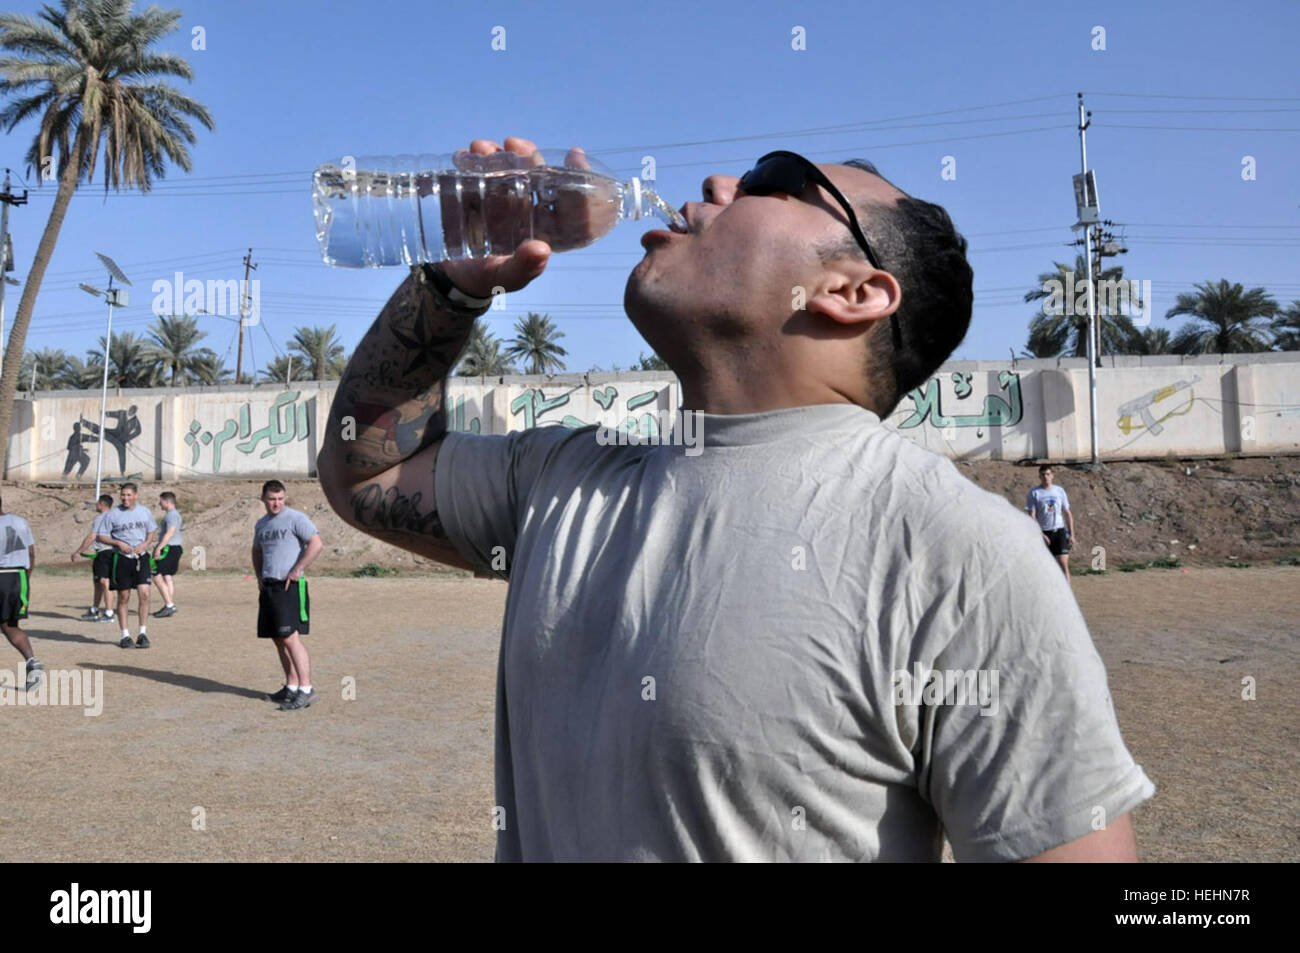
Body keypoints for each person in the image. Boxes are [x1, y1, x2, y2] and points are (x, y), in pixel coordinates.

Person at [319, 136, 1154, 862]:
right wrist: (451, 285)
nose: (718, 186)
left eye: (772, 181)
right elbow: (367, 475)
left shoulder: (959, 554)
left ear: (854, 292)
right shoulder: (562, 479)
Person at [252, 480, 323, 711]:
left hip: (289, 586)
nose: (276, 503)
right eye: (272, 499)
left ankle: (306, 690)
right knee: (277, 638)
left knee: (291, 638)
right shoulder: (261, 524)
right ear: (263, 499)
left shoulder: (296, 518)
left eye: (280, 498)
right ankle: (291, 687)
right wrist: (259, 576)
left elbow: (316, 544)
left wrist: (297, 569)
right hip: (270, 587)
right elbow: (256, 550)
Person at [97, 483, 157, 649]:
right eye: (123, 495)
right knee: (124, 597)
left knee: (144, 593)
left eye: (129, 495)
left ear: (136, 495)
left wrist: (145, 544)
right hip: (122, 559)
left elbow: (151, 532)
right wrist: (117, 542)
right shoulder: (112, 514)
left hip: (141, 557)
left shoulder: (144, 511)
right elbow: (101, 536)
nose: (125, 498)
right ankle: (125, 635)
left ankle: (142, 633)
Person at [0, 497, 41, 691]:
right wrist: (26, 578)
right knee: (10, 624)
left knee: (8, 626)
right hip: (18, 576)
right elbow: (32, 553)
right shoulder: (19, 521)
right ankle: (32, 660)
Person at [71, 494, 116, 623]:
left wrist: (79, 552)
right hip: (104, 553)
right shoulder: (115, 516)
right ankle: (94, 609)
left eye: (97, 503)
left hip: (105, 552)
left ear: (101, 503)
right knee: (98, 582)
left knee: (104, 582)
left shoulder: (101, 518)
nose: (96, 506)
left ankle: (108, 612)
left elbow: (92, 536)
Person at [1026, 465, 1074, 581]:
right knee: (1045, 567)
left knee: (1063, 564)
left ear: (1052, 475)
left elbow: (1067, 513)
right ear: (1039, 476)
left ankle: (1066, 594)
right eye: (1043, 474)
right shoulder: (1034, 493)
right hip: (1044, 533)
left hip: (1059, 531)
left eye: (1048, 474)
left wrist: (1072, 534)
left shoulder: (1059, 491)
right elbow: (1032, 515)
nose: (1045, 477)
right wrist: (1040, 534)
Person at [151, 491, 184, 617]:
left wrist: (159, 547)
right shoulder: (173, 515)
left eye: (161, 501)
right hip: (173, 548)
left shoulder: (171, 515)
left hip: (169, 549)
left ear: (167, 501)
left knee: (156, 575)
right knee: (167, 576)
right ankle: (168, 604)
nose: (159, 503)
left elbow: (170, 533)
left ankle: (169, 605)